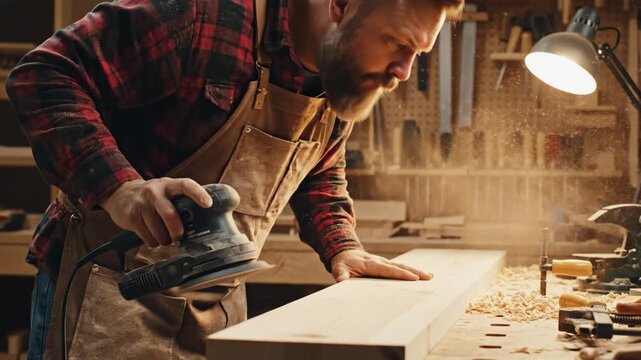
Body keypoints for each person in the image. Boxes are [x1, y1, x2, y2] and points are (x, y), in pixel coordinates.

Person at [7, 0, 463, 358]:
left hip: (216, 306)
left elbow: (318, 167)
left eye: (417, 54)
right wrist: (119, 189)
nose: (404, 72)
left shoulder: (339, 72)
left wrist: (342, 246)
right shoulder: (199, 14)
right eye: (398, 44)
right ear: (341, 5)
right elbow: (43, 73)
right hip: (108, 296)